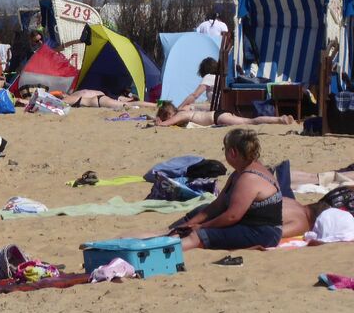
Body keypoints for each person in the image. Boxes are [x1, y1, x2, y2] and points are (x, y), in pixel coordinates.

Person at [162, 128, 283, 251]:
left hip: (263, 232)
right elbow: (217, 205)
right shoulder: (238, 173)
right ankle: (167, 238)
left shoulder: (249, 178)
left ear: (233, 152)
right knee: (195, 219)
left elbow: (232, 216)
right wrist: (189, 224)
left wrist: (202, 227)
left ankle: (162, 250)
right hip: (248, 224)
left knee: (198, 235)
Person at [154, 103, 292, 127]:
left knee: (250, 122)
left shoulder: (180, 114)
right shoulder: (184, 110)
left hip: (217, 118)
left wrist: (159, 122)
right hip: (218, 115)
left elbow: (165, 124)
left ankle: (280, 119)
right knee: (249, 121)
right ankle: (279, 119)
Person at [62, 89, 156, 110]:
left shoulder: (68, 98)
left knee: (129, 105)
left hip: (99, 101)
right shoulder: (75, 95)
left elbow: (60, 103)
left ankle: (156, 105)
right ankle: (155, 104)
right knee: (128, 103)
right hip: (100, 99)